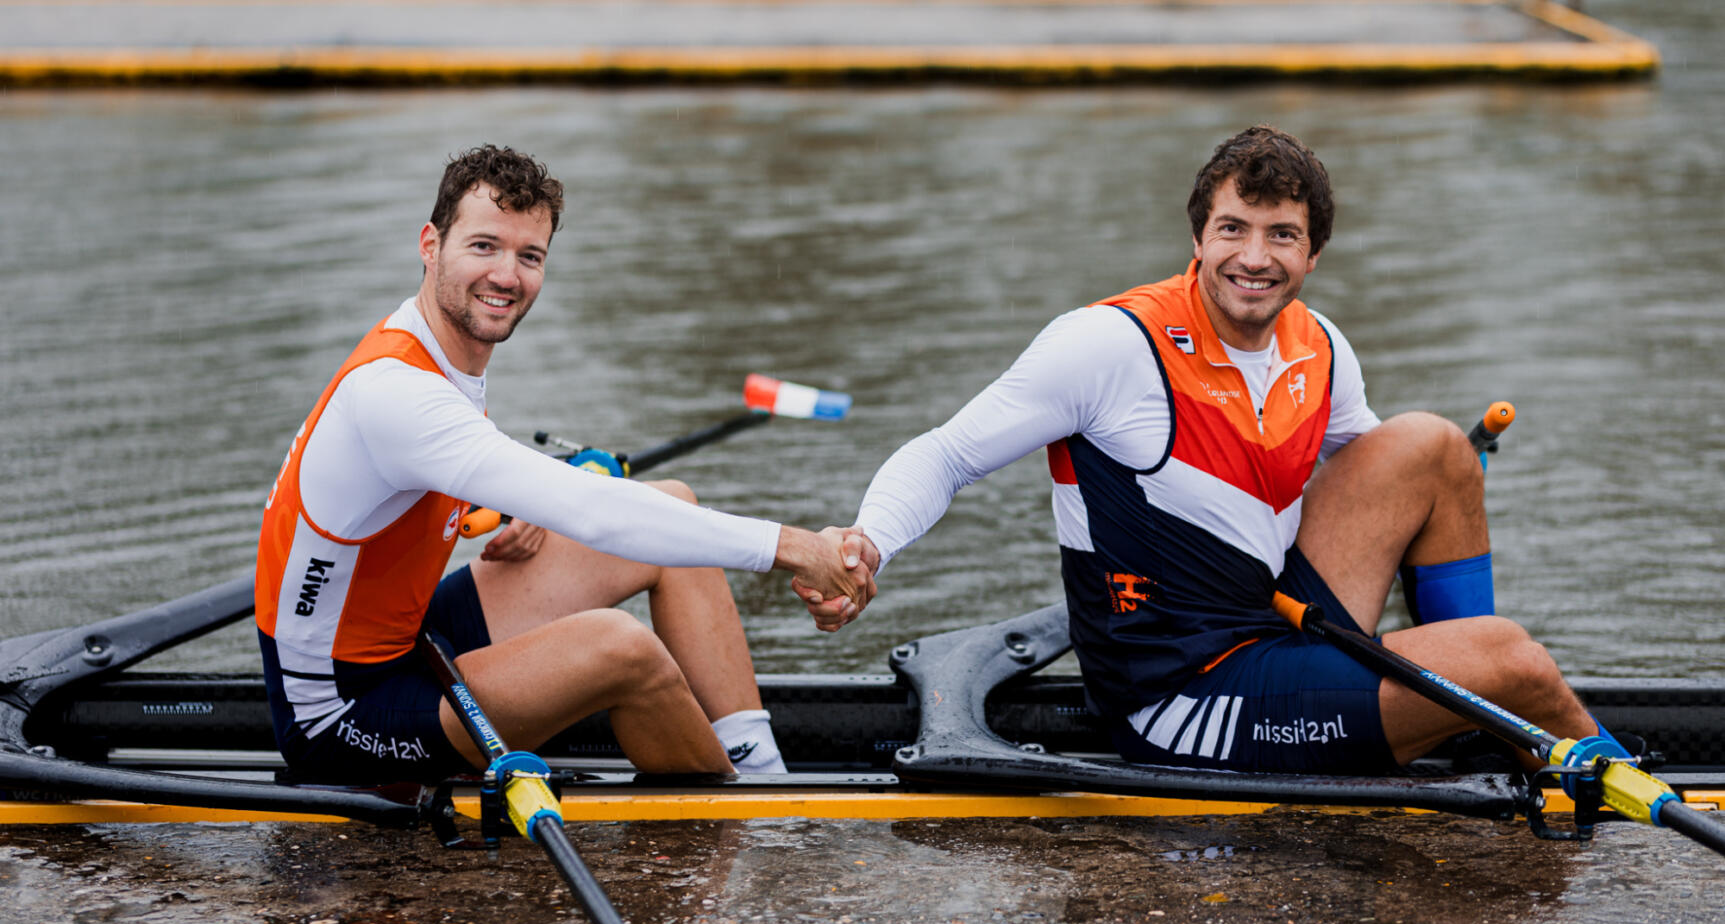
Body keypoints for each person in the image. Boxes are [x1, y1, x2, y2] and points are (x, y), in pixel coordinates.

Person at [804, 126, 1621, 774]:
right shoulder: (1105, 346)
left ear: (1312, 253)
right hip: (1180, 692)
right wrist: (866, 540)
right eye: (1232, 228)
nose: (1254, 258)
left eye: (1281, 235)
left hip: (1271, 617)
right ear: (1198, 235)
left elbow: (1378, 483)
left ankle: (1477, 720)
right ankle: (1550, 733)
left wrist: (1450, 500)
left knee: (1434, 448)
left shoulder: (1320, 345)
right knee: (1515, 660)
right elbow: (945, 455)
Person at [256, 144, 873, 785]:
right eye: (484, 246)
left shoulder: (434, 351)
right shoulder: (396, 392)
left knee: (674, 511)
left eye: (530, 256)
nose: (507, 276)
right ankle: (747, 819)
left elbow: (437, 485)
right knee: (620, 646)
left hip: (410, 639)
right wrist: (797, 547)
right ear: (430, 245)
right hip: (338, 713)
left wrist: (513, 505)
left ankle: (755, 760)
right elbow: (592, 512)